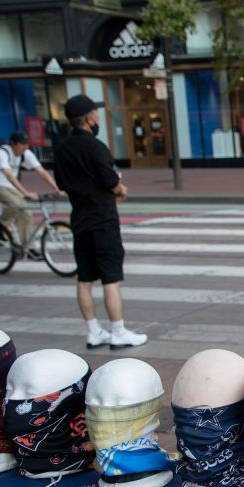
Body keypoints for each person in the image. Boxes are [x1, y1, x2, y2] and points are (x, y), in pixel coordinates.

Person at [53, 94, 148, 349]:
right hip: (103, 220)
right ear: (88, 118)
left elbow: (61, 184)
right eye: (95, 113)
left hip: (80, 221)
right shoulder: (96, 147)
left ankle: (93, 331)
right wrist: (121, 189)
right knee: (110, 278)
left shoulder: (61, 149)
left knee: (84, 278)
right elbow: (110, 181)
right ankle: (118, 330)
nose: (97, 117)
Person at [0, 132, 62, 257]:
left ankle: (30, 249)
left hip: (9, 186)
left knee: (26, 213)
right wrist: (25, 192)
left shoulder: (26, 154)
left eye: (26, 144)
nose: (25, 147)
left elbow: (42, 171)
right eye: (22, 144)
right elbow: (8, 174)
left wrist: (57, 188)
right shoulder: (0, 152)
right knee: (16, 203)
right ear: (13, 144)